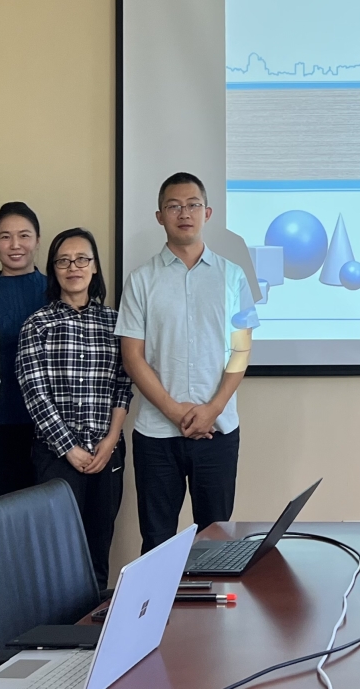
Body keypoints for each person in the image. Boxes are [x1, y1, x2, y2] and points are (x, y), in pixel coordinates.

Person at [118, 173, 258, 552]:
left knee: (217, 542)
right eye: (174, 206)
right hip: (156, 436)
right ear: (160, 216)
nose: (185, 213)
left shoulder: (234, 277)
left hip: (218, 431)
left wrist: (213, 409)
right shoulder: (140, 280)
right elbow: (132, 356)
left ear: (207, 213)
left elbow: (241, 351)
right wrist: (174, 410)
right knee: (157, 542)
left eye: (193, 205)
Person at [16, 228, 132, 590]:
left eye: (82, 259)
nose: (73, 267)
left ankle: (93, 621)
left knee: (99, 548)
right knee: (57, 553)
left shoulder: (116, 323)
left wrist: (111, 440)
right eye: (63, 261)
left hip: (107, 452)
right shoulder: (38, 324)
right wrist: (69, 448)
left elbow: (124, 384)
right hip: (55, 455)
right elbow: (34, 392)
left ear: (94, 267)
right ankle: (61, 624)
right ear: (54, 269)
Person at [0, 201, 47, 496]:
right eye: (5, 236)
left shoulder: (59, 292)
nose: (15, 245)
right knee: (2, 509)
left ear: (38, 240)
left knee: (50, 510)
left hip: (53, 424)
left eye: (24, 235)